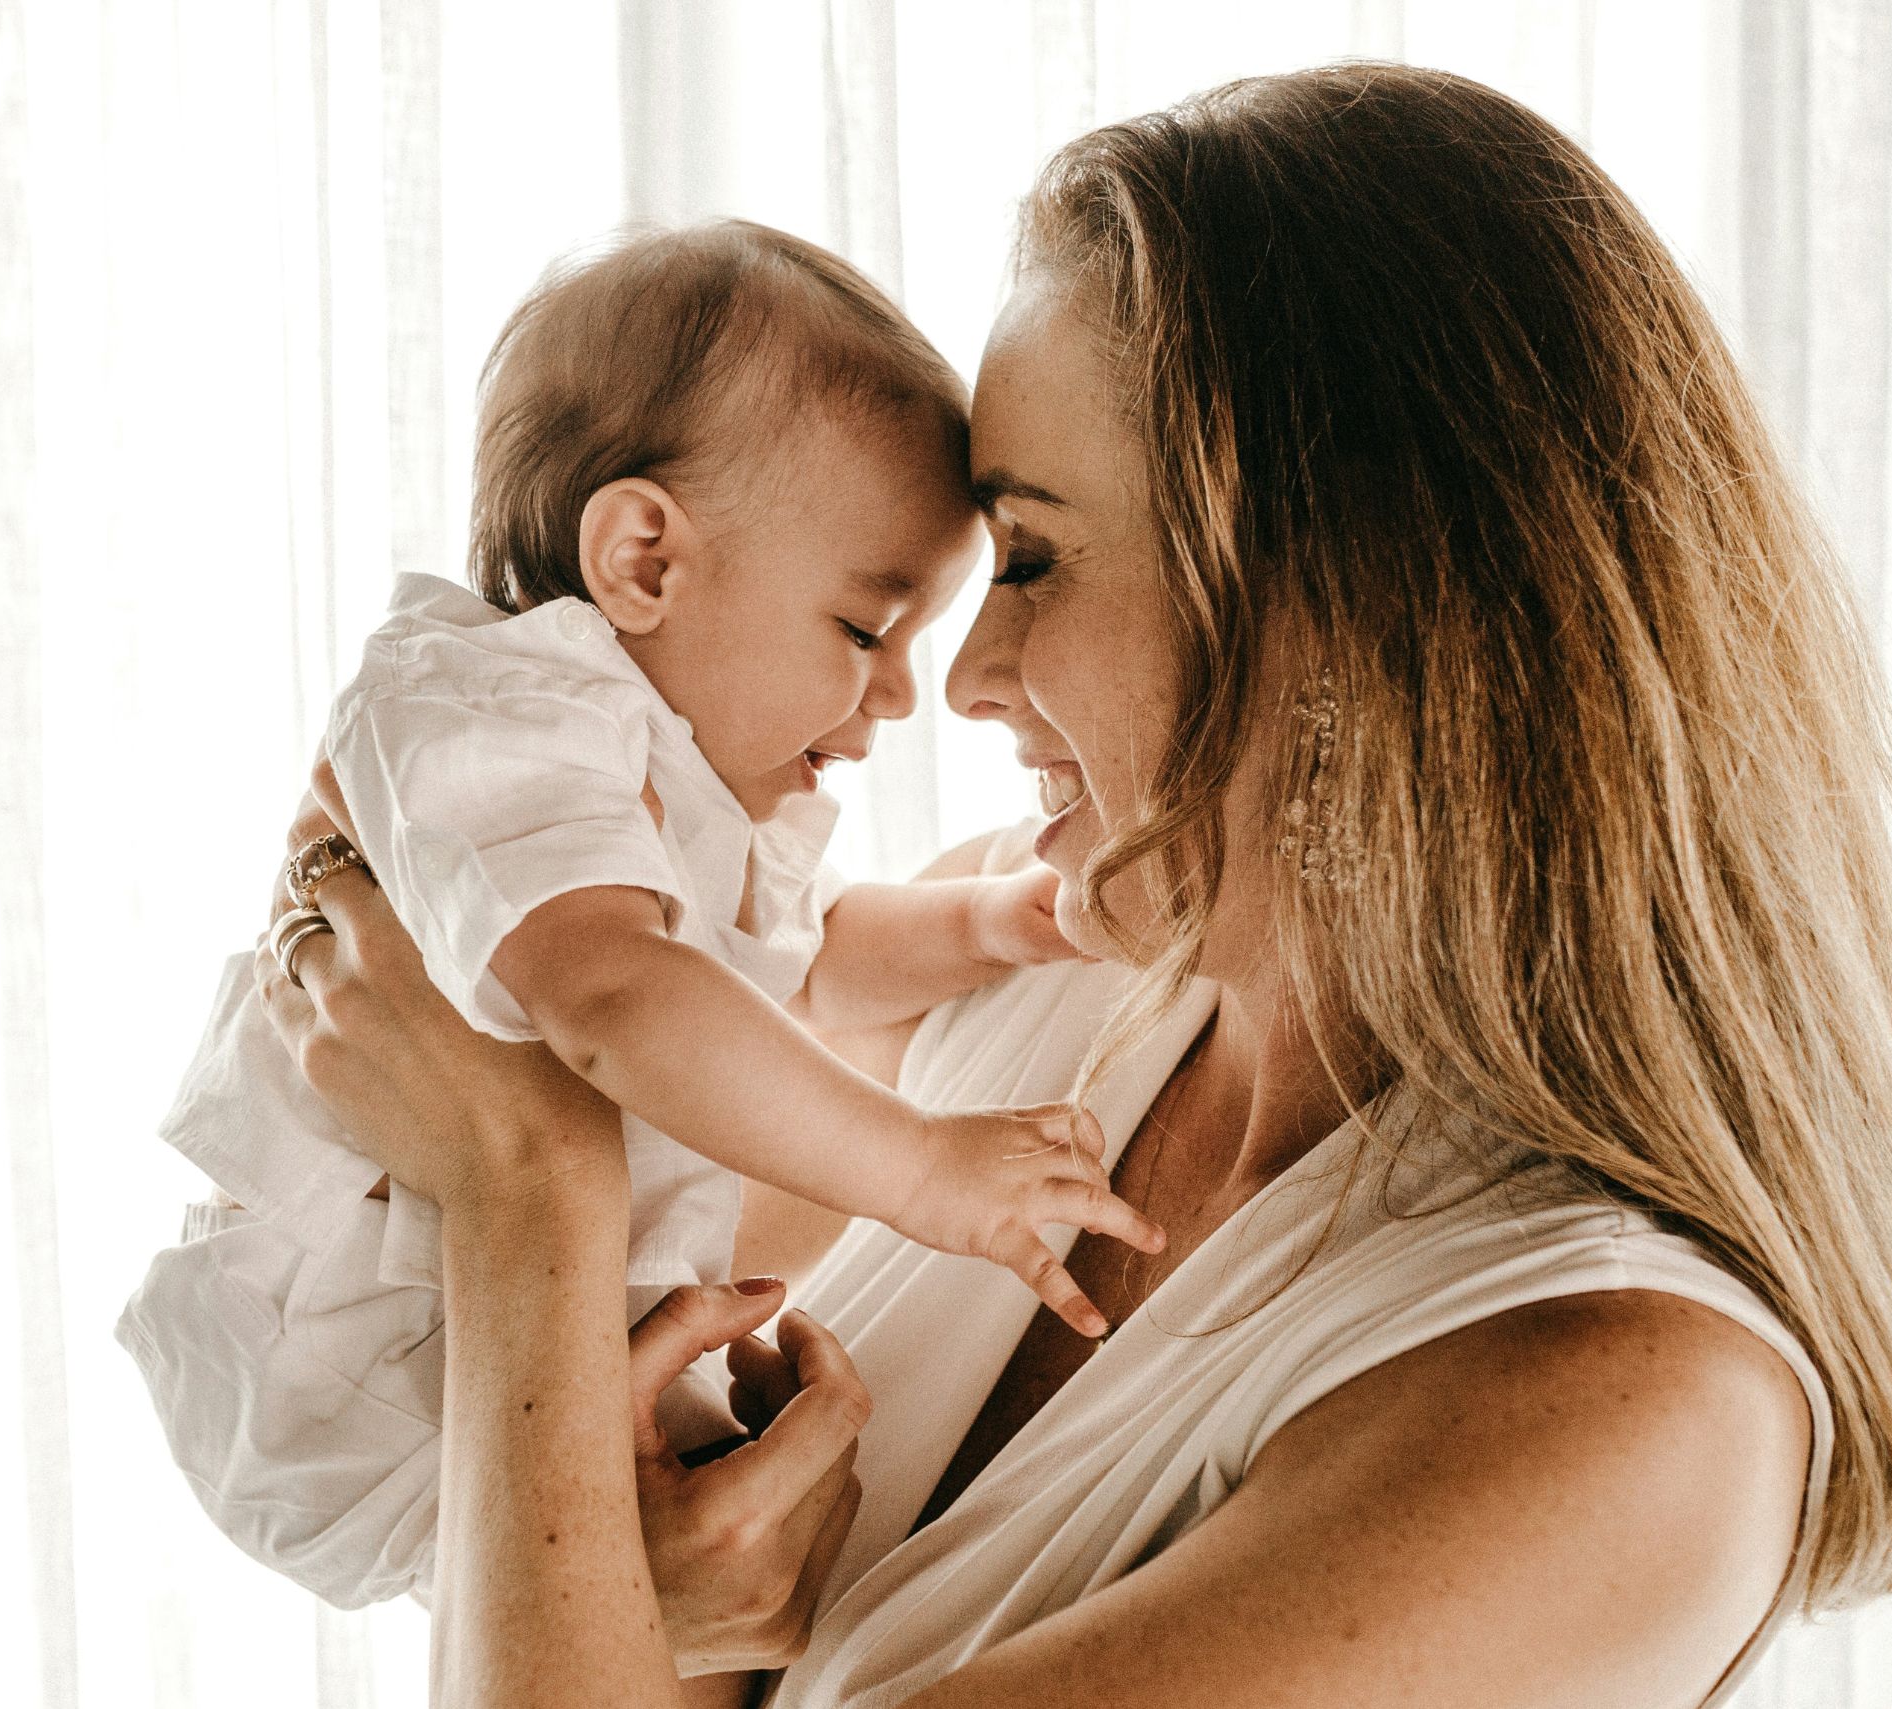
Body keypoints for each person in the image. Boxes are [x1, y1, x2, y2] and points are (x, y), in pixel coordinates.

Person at [160, 63, 1892, 1706]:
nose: (957, 681)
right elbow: (600, 1583)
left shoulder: (1618, 1409)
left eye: (1030, 557)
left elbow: (550, 1331)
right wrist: (668, 1587)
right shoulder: (1019, 980)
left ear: (1343, 604)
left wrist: (524, 1179)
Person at [125, 220, 1158, 1607]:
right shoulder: (498, 706)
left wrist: (991, 923)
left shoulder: (670, 777)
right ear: (644, 563)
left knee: (746, 1563)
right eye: (867, 629)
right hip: (357, 1346)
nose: (908, 691)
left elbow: (794, 965)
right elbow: (619, 999)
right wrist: (921, 1170)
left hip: (509, 1329)